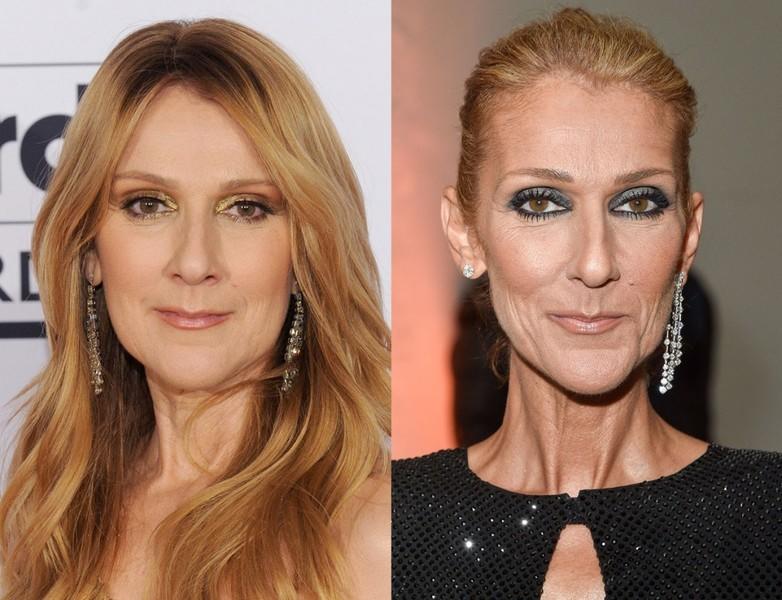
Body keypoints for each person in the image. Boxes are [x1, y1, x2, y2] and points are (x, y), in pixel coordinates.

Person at [393, 8, 781, 599]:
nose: (596, 263)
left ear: (688, 238)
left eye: (638, 203)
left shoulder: (768, 522)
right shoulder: (372, 528)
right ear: (465, 233)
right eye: (541, 203)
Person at [0, 19, 390, 600]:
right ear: (89, 250)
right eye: (148, 204)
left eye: (246, 208)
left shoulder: (372, 535)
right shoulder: (46, 522)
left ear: (305, 254)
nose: (194, 261)